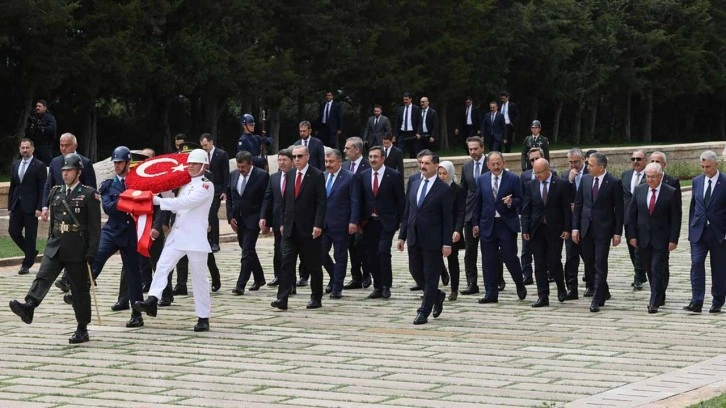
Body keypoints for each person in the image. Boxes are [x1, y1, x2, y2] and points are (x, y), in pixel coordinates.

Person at [9, 153, 101, 344]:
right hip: (56, 244)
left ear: (78, 172)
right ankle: (30, 305)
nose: (65, 174)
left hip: (77, 247)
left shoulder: (88, 194)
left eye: (69, 170)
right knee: (43, 275)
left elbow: (94, 227)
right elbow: (53, 222)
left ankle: (82, 327)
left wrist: (92, 252)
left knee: (79, 290)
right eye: (64, 170)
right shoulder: (56, 192)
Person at [133, 149, 215, 332]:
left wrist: (157, 201)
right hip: (178, 235)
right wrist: (164, 191)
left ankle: (203, 317)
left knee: (199, 279)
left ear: (204, 166)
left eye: (194, 164)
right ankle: (152, 300)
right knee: (162, 266)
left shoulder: (206, 186)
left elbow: (185, 203)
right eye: (190, 163)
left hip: (194, 238)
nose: (191, 166)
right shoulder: (185, 184)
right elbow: (177, 201)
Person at [79, 146, 145, 328]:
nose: (116, 166)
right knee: (95, 258)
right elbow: (107, 207)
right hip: (112, 230)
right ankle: (80, 290)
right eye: (115, 162)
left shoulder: (136, 183)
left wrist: (126, 199)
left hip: (131, 232)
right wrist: (127, 199)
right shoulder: (109, 184)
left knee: (134, 274)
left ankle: (136, 314)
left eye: (120, 162)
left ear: (127, 163)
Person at [398, 151, 452, 325]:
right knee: (415, 271)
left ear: (436, 165)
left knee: (431, 275)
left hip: (433, 239)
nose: (422, 166)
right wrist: (402, 236)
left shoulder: (443, 189)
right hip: (414, 236)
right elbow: (409, 210)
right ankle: (437, 295)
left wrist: (446, 243)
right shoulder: (414, 182)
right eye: (421, 163)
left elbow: (447, 218)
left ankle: (424, 311)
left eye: (427, 163)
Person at [271, 145, 327, 310]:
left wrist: (318, 225)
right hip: (290, 229)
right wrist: (282, 222)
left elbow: (321, 202)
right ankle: (282, 299)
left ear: (307, 156)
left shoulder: (316, 175)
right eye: (294, 157)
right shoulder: (289, 175)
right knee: (286, 263)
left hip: (309, 229)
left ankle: (316, 297)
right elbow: (285, 201)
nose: (296, 160)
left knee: (313, 265)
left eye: (300, 156)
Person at [42, 133, 97, 292]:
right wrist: (45, 206)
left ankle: (71, 279)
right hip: (59, 212)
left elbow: (91, 189)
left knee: (75, 247)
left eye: (66, 145)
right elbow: (49, 185)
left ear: (75, 145)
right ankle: (71, 279)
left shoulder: (85, 163)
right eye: (61, 145)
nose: (63, 148)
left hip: (78, 214)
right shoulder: (55, 162)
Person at [471, 151, 527, 304]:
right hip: (487, 224)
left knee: (509, 257)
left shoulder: (513, 179)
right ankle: (491, 293)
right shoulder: (482, 179)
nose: (496, 167)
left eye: (498, 163)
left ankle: (519, 283)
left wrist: (511, 202)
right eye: (492, 164)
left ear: (504, 163)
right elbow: (478, 203)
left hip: (506, 224)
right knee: (488, 260)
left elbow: (521, 200)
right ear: (488, 165)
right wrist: (475, 223)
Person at [572, 152, 624, 313]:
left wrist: (617, 232)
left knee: (600, 262)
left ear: (601, 167)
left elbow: (619, 210)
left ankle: (596, 298)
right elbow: (579, 205)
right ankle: (604, 290)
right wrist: (575, 227)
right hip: (586, 228)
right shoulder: (586, 180)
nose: (587, 167)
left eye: (591, 165)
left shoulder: (614, 182)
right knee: (589, 261)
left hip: (603, 229)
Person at [627, 162, 681, 313]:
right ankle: (659, 294)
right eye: (647, 176)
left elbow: (676, 218)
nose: (650, 180)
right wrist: (632, 235)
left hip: (661, 239)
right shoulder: (639, 190)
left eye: (653, 177)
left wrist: (673, 239)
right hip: (643, 238)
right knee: (650, 269)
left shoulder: (670, 192)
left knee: (657, 268)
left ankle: (654, 301)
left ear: (660, 176)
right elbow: (632, 215)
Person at [521, 159, 572, 307]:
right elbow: (526, 210)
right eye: (535, 172)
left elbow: (566, 210)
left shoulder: (561, 184)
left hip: (555, 229)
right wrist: (525, 229)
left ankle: (561, 287)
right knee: (539, 263)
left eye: (539, 172)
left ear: (547, 170)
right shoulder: (531, 185)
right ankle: (543, 295)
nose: (536, 175)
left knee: (554, 261)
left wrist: (567, 228)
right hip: (537, 230)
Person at [360, 146, 405, 299]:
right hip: (369, 221)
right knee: (371, 253)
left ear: (383, 158)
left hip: (387, 221)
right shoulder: (364, 175)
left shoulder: (393, 175)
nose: (372, 159)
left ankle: (386, 285)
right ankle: (377, 286)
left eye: (376, 157)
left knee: (383, 251)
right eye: (370, 156)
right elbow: (360, 199)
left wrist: (400, 221)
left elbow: (400, 200)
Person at [685, 151, 726, 314]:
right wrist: (691, 229)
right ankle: (697, 301)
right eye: (702, 167)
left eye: (708, 166)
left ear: (716, 164)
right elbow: (694, 207)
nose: (705, 170)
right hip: (699, 232)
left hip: (719, 233)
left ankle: (717, 300)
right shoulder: (697, 181)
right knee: (696, 264)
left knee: (719, 268)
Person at [227, 151, 270, 295]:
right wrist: (230, 216)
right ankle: (259, 277)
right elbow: (230, 197)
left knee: (246, 251)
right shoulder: (233, 175)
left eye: (243, 167)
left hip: (254, 218)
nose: (240, 169)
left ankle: (240, 285)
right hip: (238, 218)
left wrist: (264, 218)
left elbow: (266, 198)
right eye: (238, 166)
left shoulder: (262, 175)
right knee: (246, 248)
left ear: (250, 164)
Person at [321, 149, 360, 298]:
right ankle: (334, 275)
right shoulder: (322, 176)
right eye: (326, 162)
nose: (328, 165)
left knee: (340, 256)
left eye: (331, 162)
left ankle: (337, 287)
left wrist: (353, 221)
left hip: (342, 224)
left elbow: (355, 201)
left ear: (339, 162)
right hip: (324, 224)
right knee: (320, 254)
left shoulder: (350, 177)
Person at [8, 139, 46, 275]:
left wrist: (40, 207)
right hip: (17, 205)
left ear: (32, 149)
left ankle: (26, 265)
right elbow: (13, 186)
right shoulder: (15, 164)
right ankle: (31, 252)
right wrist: (10, 205)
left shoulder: (39, 165)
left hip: (32, 207)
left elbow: (43, 188)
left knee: (31, 236)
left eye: (27, 147)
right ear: (20, 149)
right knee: (13, 231)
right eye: (23, 148)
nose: (25, 150)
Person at [260, 149, 294, 288]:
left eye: (285, 160)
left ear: (291, 161)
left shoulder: (295, 176)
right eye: (279, 160)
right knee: (278, 250)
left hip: (292, 220)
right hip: (277, 219)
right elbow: (268, 199)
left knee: (289, 252)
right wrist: (264, 218)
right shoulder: (274, 177)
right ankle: (278, 276)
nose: (281, 162)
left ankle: (292, 282)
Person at [459, 136, 488, 295]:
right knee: (470, 251)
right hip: (469, 214)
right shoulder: (466, 167)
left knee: (490, 249)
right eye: (470, 149)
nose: (473, 152)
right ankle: (472, 283)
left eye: (476, 148)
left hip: (487, 213)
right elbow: (463, 190)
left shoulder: (492, 163)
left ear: (482, 148)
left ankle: (496, 279)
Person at [342, 137, 372, 290]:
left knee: (362, 245)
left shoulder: (368, 167)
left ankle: (367, 274)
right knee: (350, 247)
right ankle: (356, 277)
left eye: (348, 148)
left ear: (357, 150)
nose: (345, 151)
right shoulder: (344, 166)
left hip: (363, 216)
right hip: (347, 214)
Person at [564, 148, 590, 299]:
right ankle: (572, 288)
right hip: (571, 222)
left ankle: (591, 285)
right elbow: (561, 196)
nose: (573, 165)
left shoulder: (590, 173)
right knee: (571, 257)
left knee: (588, 256)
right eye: (571, 162)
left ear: (583, 160)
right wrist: (569, 180)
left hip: (587, 221)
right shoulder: (566, 176)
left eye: (576, 162)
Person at [437, 161, 465, 301]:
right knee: (434, 257)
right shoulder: (434, 187)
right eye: (439, 173)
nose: (442, 176)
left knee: (453, 259)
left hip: (452, 228)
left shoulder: (458, 190)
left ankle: (454, 289)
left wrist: (458, 230)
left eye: (444, 173)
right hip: (436, 228)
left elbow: (461, 212)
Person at [622, 150, 648, 290]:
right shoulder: (626, 175)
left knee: (640, 249)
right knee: (632, 248)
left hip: (644, 218)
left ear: (645, 160)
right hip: (628, 218)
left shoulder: (651, 175)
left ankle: (638, 276)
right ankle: (640, 273)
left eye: (638, 158)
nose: (635, 161)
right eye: (633, 159)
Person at [200, 133, 230, 253]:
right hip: (204, 188)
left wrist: (224, 191)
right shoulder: (201, 155)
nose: (204, 148)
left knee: (212, 214)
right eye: (202, 145)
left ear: (211, 142)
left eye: (206, 145)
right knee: (205, 215)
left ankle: (215, 242)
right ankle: (205, 240)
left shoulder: (221, 154)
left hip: (217, 190)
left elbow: (225, 173)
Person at [25, 99, 56, 166]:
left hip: (45, 146)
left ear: (45, 108)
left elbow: (52, 129)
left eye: (39, 106)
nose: (37, 108)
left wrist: (42, 128)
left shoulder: (49, 118)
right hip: (34, 145)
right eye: (37, 106)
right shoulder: (33, 118)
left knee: (45, 166)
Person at [394, 92, 421, 158]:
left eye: (406, 99)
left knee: (413, 151)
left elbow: (420, 122)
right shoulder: (400, 109)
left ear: (410, 99)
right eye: (404, 100)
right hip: (402, 133)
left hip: (412, 133)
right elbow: (397, 123)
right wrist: (395, 135)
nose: (405, 101)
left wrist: (418, 132)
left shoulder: (416, 109)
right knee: (400, 150)